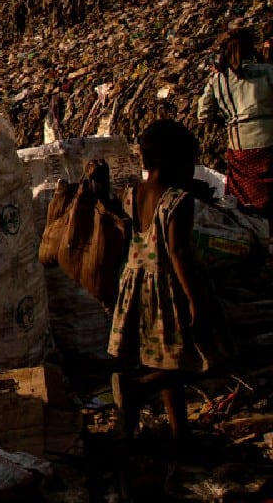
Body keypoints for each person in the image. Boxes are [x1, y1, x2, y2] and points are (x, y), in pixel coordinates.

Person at [108, 120, 231, 449]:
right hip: (168, 290)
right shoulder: (178, 200)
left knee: (163, 360)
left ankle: (180, 435)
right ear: (173, 161)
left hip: (137, 287)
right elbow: (178, 252)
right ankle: (138, 390)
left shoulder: (132, 193)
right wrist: (196, 299)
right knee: (193, 361)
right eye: (190, 162)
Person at [198, 28, 273, 220]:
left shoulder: (218, 80)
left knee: (244, 200)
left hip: (239, 145)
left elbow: (203, 114)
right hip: (269, 141)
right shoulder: (267, 72)